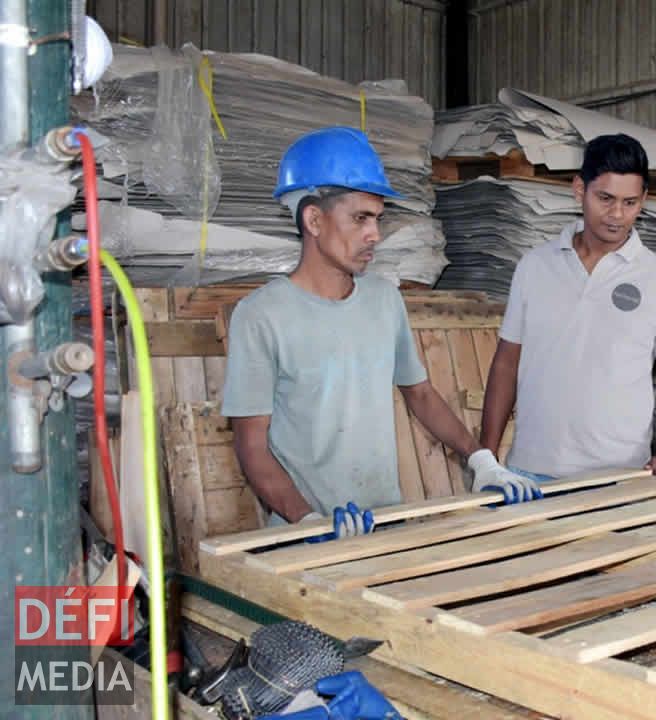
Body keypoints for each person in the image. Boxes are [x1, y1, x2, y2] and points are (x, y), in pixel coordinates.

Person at [221, 127, 540, 542]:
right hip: (307, 540)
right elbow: (252, 447)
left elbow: (421, 395)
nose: (374, 234)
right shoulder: (260, 316)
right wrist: (306, 521)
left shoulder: (383, 299)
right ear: (313, 219)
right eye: (360, 218)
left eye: (377, 218)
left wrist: (481, 460)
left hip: (384, 527)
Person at [480, 133, 656, 484]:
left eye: (630, 203)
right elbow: (506, 364)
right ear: (579, 189)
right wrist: (486, 458)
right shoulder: (535, 267)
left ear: (644, 200)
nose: (616, 215)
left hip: (618, 480)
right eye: (605, 198)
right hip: (530, 473)